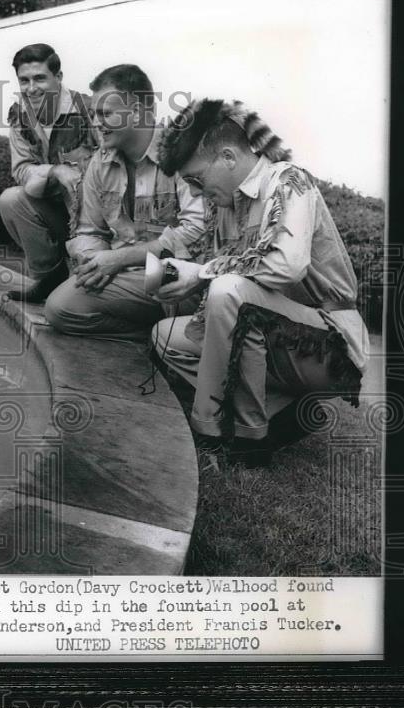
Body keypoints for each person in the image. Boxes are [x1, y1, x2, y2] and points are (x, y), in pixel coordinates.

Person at [150, 99, 367, 458]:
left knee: (229, 289)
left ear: (228, 158)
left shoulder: (288, 179)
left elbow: (287, 266)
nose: (193, 191)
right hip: (272, 333)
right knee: (165, 336)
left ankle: (230, 438)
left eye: (195, 178)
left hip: (329, 343)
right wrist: (178, 277)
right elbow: (225, 279)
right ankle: (278, 413)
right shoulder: (227, 206)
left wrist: (203, 273)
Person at [44, 64, 206, 337]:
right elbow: (89, 229)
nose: (96, 123)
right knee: (62, 309)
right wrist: (96, 265)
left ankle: (172, 332)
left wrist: (119, 259)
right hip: (127, 277)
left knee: (60, 306)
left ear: (138, 111)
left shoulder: (181, 153)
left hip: (181, 278)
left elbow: (197, 232)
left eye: (106, 114)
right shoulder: (100, 161)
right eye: (95, 114)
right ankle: (159, 334)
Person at [0, 43, 95, 303]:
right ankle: (49, 278)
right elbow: (20, 170)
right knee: (11, 199)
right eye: (24, 80)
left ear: (58, 77)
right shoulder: (19, 115)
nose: (31, 88)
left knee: (80, 301)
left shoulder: (89, 110)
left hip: (95, 215)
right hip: (56, 212)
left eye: (40, 78)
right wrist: (54, 171)